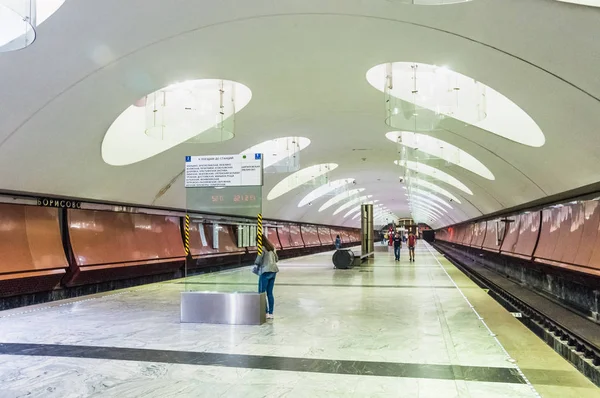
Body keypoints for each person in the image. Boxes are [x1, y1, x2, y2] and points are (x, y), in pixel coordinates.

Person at [254, 237, 280, 319]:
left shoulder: (262, 248)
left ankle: (265, 312)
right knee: (270, 293)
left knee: (261, 293)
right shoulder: (272, 248)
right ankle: (271, 313)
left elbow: (258, 260)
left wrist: (256, 265)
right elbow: (277, 259)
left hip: (265, 271)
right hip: (273, 271)